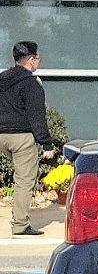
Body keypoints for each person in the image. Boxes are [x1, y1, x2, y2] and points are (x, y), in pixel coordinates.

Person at [0, 41, 55, 237]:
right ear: (31, 60)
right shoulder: (31, 83)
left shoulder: (2, 79)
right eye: (37, 58)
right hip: (21, 137)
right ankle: (20, 225)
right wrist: (46, 143)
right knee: (24, 181)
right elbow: (36, 116)